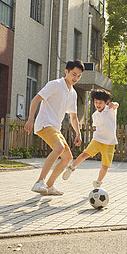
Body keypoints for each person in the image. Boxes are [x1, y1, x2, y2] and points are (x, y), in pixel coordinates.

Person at [24, 60, 84, 195]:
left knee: (68, 158)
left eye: (79, 76)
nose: (76, 78)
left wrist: (78, 134)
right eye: (74, 74)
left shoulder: (73, 93)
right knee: (60, 148)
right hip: (44, 124)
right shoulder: (55, 85)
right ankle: (39, 182)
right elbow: (35, 100)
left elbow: (73, 117)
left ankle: (49, 186)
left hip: (55, 128)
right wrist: (30, 120)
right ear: (66, 71)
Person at [62, 89, 118, 189]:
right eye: (96, 102)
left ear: (106, 102)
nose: (98, 105)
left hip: (109, 143)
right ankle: (71, 168)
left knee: (105, 166)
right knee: (85, 154)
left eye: (100, 103)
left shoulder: (110, 110)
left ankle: (98, 182)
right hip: (97, 139)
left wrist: (113, 104)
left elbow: (116, 105)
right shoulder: (94, 115)